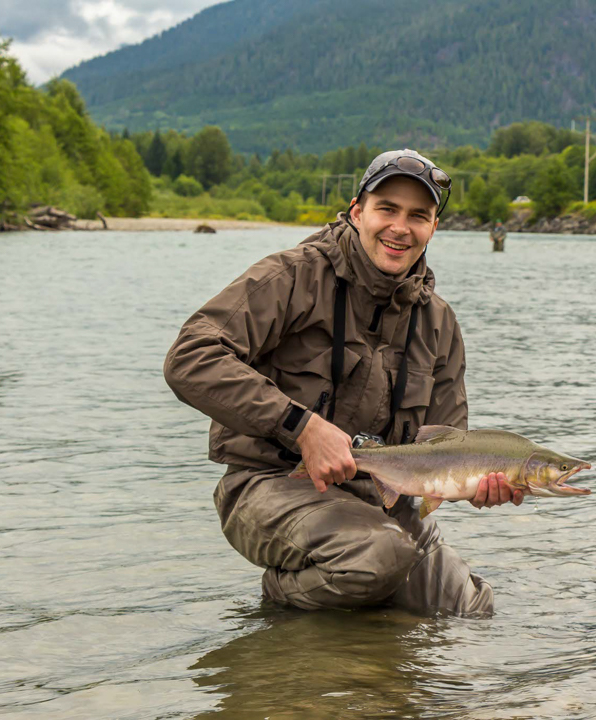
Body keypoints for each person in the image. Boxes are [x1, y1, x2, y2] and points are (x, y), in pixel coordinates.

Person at [164, 149, 523, 617]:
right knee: (378, 559)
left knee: (468, 608)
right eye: (386, 209)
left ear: (434, 227)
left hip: (382, 505)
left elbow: (448, 444)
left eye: (419, 215)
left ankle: (362, 625)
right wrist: (302, 426)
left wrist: (474, 484)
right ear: (358, 212)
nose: (400, 227)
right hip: (269, 485)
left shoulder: (439, 323)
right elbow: (190, 357)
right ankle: (284, 603)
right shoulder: (292, 277)